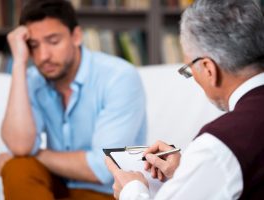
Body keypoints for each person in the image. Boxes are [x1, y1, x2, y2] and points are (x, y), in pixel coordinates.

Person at [105, 0, 264, 199]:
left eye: (189, 69)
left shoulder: (218, 146)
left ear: (208, 69)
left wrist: (131, 190)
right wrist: (188, 172)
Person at [0, 0, 147, 199]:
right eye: (34, 45)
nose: (43, 56)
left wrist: (37, 154)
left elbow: (102, 168)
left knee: (20, 160)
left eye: (53, 41)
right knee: (18, 167)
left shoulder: (119, 77)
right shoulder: (32, 79)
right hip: (56, 187)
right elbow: (20, 147)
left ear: (76, 36)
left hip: (105, 193)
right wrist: (19, 64)